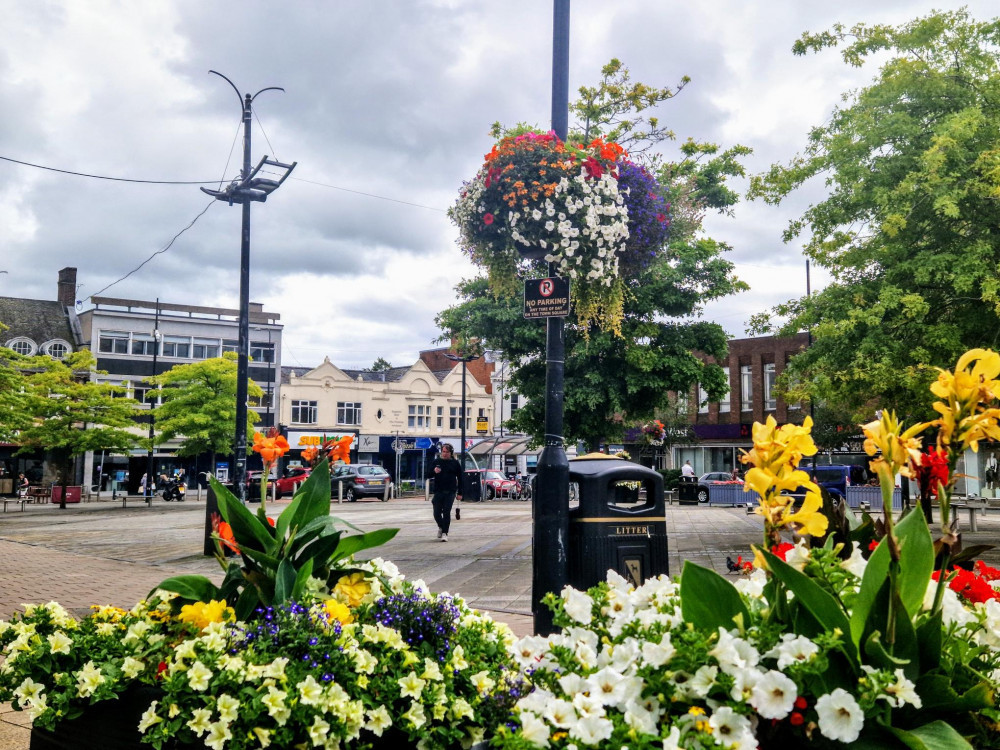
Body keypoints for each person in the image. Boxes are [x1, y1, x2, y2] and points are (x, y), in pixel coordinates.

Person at [430, 443, 463, 542]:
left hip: (450, 491)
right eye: (443, 452)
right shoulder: (436, 462)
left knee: (446, 511)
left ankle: (445, 533)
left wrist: (460, 492)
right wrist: (434, 471)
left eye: (447, 452)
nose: (444, 454)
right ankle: (441, 526)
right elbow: (428, 473)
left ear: (451, 453)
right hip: (438, 491)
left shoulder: (455, 463)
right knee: (436, 513)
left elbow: (460, 478)